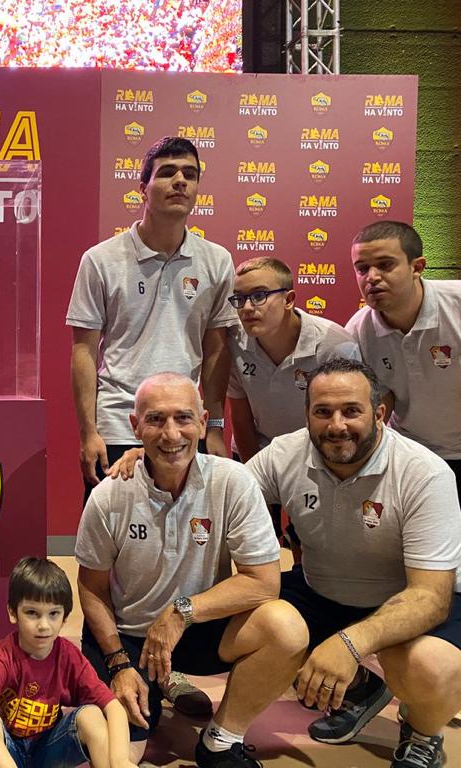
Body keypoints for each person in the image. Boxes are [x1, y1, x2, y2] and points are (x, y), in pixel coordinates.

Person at [67, 136, 240, 716]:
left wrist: (210, 422)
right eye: (167, 173)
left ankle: (171, 664)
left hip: (185, 424)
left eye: (189, 173)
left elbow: (217, 349)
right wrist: (91, 430)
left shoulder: (215, 261)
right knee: (121, 555)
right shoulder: (102, 259)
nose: (179, 183)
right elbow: (85, 350)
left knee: (188, 549)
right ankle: (112, 657)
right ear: (143, 187)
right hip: (121, 418)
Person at [75, 372, 308, 767]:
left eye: (183, 418)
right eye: (155, 420)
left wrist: (181, 611)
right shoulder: (110, 495)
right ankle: (153, 680)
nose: (171, 434)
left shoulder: (233, 481)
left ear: (203, 422)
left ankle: (221, 739)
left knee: (286, 626)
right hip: (130, 637)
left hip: (200, 627)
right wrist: (117, 662)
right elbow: (91, 588)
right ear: (135, 427)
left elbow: (264, 583)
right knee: (119, 758)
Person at [245, 358, 461, 768]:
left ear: (379, 414)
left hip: (405, 601)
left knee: (429, 667)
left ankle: (422, 733)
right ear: (307, 414)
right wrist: (147, 464)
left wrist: (348, 644)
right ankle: (363, 688)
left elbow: (431, 598)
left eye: (351, 411)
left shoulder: (424, 474)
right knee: (250, 623)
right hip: (322, 590)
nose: (336, 425)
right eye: (322, 412)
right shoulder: (283, 454)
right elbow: (219, 498)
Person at [0, 557, 135, 768]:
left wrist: (121, 760)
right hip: (6, 754)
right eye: (32, 613)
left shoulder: (68, 657)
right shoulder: (3, 655)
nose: (44, 625)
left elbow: (113, 707)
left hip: (47, 749)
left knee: (92, 715)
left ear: (65, 617)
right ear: (12, 612)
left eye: (53, 614)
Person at [345, 221, 461, 496]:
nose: (371, 277)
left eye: (385, 265)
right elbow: (377, 403)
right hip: (415, 455)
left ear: (417, 267)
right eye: (362, 269)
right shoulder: (358, 332)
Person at [227, 257, 360, 463]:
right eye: (239, 298)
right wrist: (254, 475)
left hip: (317, 456)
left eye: (259, 295)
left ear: (288, 300)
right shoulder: (234, 341)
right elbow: (241, 418)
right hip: (258, 452)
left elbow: (348, 422)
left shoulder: (335, 346)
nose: (246, 307)